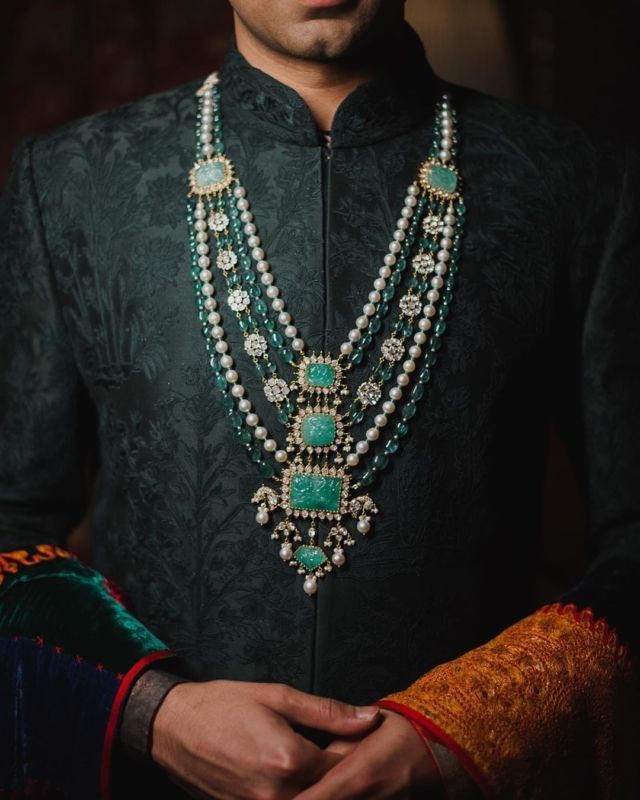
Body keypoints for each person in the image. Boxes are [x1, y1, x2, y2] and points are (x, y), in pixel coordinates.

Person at [1, 0, 638, 797]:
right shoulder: (70, 181)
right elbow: (11, 523)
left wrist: (463, 727)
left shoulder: (579, 183)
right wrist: (156, 712)